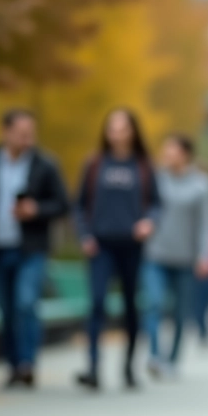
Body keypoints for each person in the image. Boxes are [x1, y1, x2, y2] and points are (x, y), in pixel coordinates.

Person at [0, 109, 69, 388]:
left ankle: (27, 363)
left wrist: (36, 209)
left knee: (26, 303)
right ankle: (13, 366)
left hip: (31, 249)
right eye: (22, 134)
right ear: (6, 132)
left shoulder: (45, 165)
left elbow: (63, 204)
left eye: (31, 135)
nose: (27, 140)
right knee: (7, 311)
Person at [74, 108, 160, 391]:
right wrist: (84, 235)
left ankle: (129, 367)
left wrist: (149, 222)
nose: (117, 134)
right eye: (112, 128)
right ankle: (93, 368)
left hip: (132, 246)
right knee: (97, 303)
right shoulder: (95, 164)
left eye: (123, 128)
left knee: (130, 308)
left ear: (133, 131)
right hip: (100, 245)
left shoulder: (144, 166)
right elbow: (79, 205)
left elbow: (157, 205)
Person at [142, 134, 208, 379]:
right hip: (155, 254)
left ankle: (172, 360)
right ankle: (155, 355)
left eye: (171, 150)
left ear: (185, 153)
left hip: (186, 258)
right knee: (153, 303)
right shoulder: (155, 180)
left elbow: (206, 223)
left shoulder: (202, 184)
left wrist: (205, 255)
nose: (166, 155)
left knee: (180, 312)